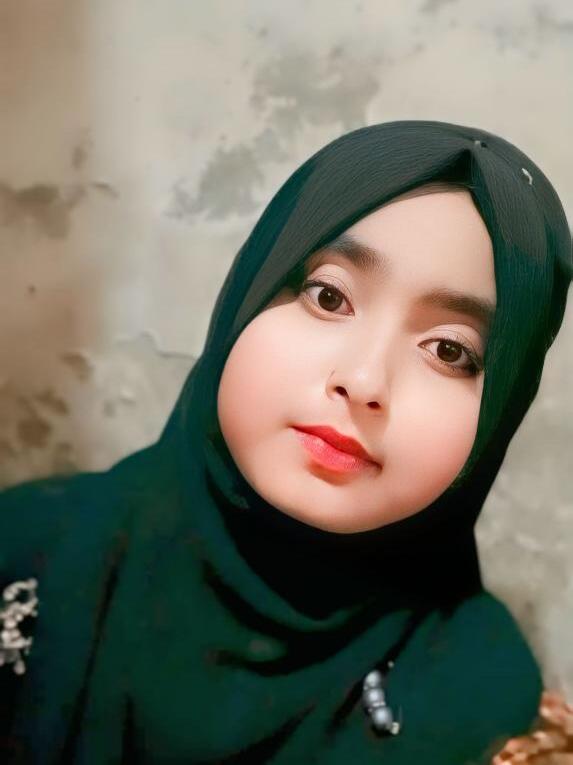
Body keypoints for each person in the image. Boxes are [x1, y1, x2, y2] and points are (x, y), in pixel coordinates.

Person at [0, 120, 571, 764]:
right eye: (329, 296)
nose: (363, 380)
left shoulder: (483, 700)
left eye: (448, 350)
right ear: (248, 292)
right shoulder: (23, 553)